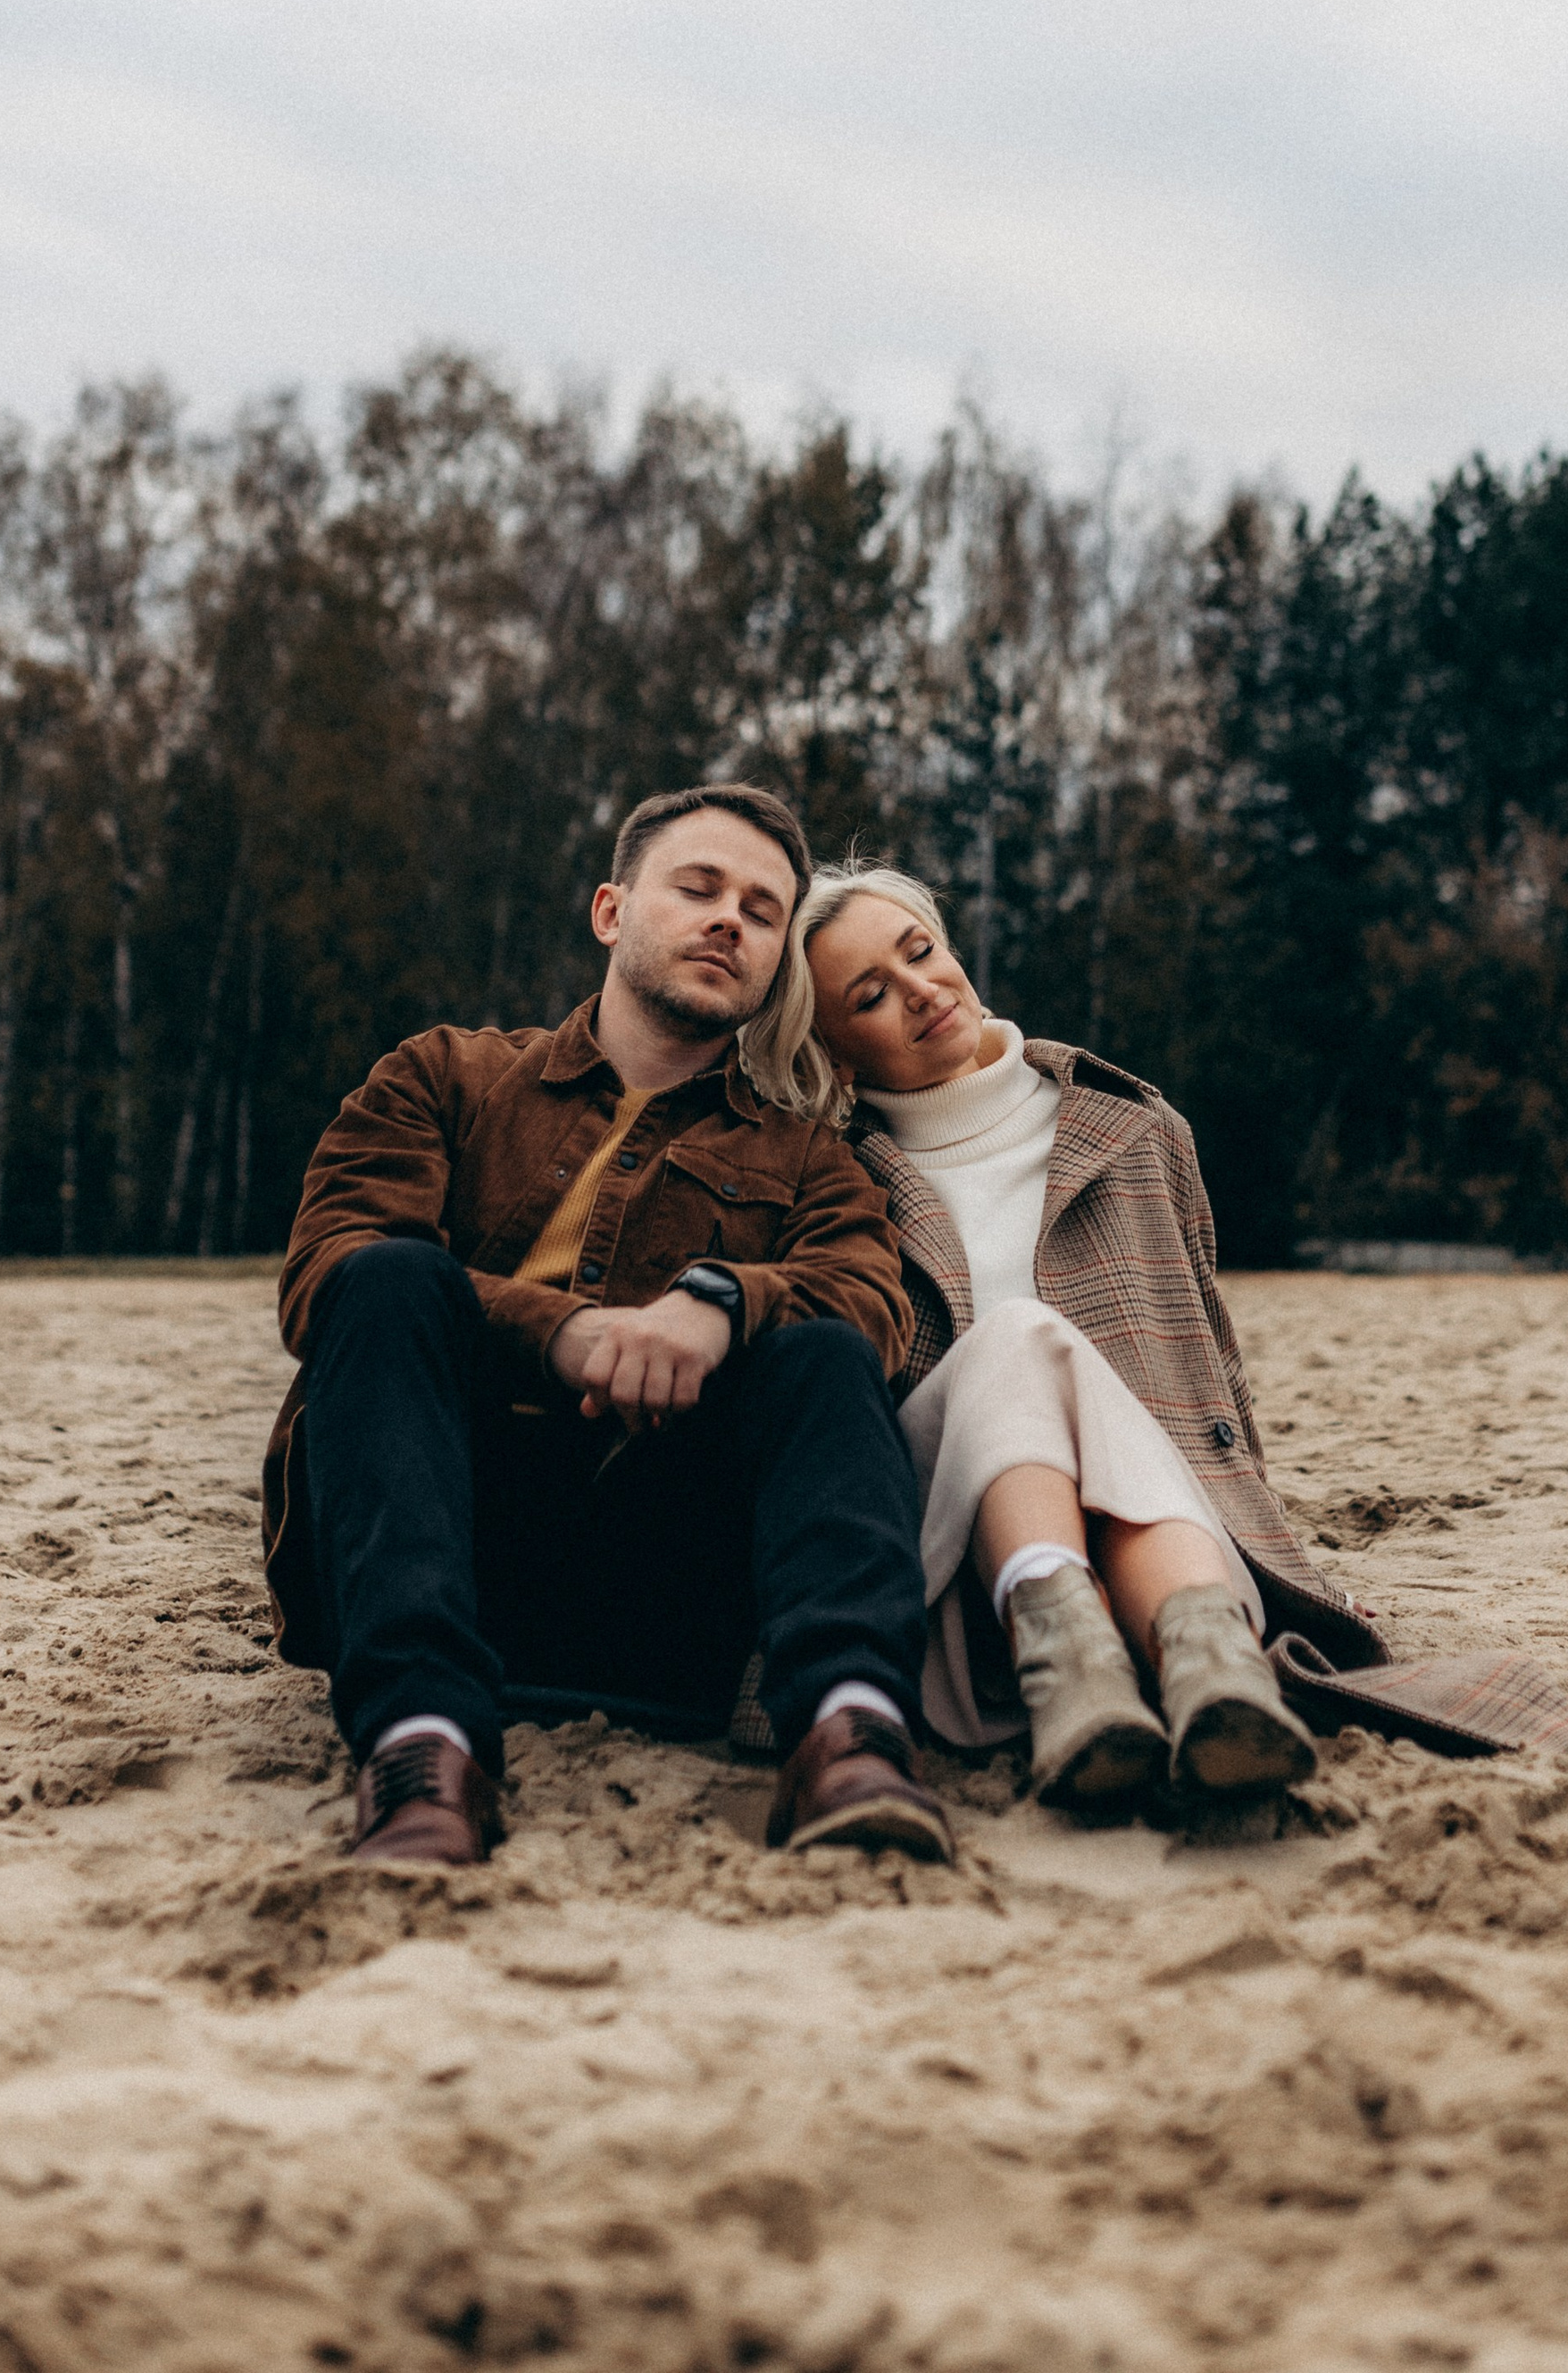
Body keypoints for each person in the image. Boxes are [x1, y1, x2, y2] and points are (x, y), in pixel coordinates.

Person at [261, 787, 952, 1871]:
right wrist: (567, 1333)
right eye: (699, 887)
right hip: (427, 1547)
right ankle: (419, 1751)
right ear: (610, 912)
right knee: (388, 1279)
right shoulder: (444, 1076)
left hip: (663, 1577)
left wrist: (721, 1306)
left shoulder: (810, 1155)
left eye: (764, 912)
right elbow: (327, 1265)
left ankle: (850, 1735)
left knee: (825, 1343)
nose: (731, 919)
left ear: (777, 966)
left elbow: (871, 1299)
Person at [753, 862, 1391, 1816]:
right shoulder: (840, 1180)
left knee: (1056, 1368)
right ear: (836, 1054)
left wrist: (1284, 1552)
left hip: (1161, 1527)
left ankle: (1207, 1672)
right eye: (872, 996)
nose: (922, 990)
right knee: (1018, 1340)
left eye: (922, 952)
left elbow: (1207, 1363)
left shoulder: (1135, 1127)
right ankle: (1081, 1661)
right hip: (962, 1580)